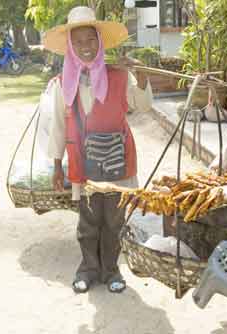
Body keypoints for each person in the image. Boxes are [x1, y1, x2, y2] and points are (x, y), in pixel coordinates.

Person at [43, 6, 153, 294]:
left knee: (114, 220)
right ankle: (89, 269)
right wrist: (57, 165)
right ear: (70, 46)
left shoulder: (119, 76)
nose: (85, 47)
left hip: (117, 158)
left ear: (100, 41)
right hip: (83, 161)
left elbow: (143, 105)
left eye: (91, 40)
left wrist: (140, 76)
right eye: (78, 42)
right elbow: (57, 124)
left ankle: (112, 271)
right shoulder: (61, 84)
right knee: (89, 220)